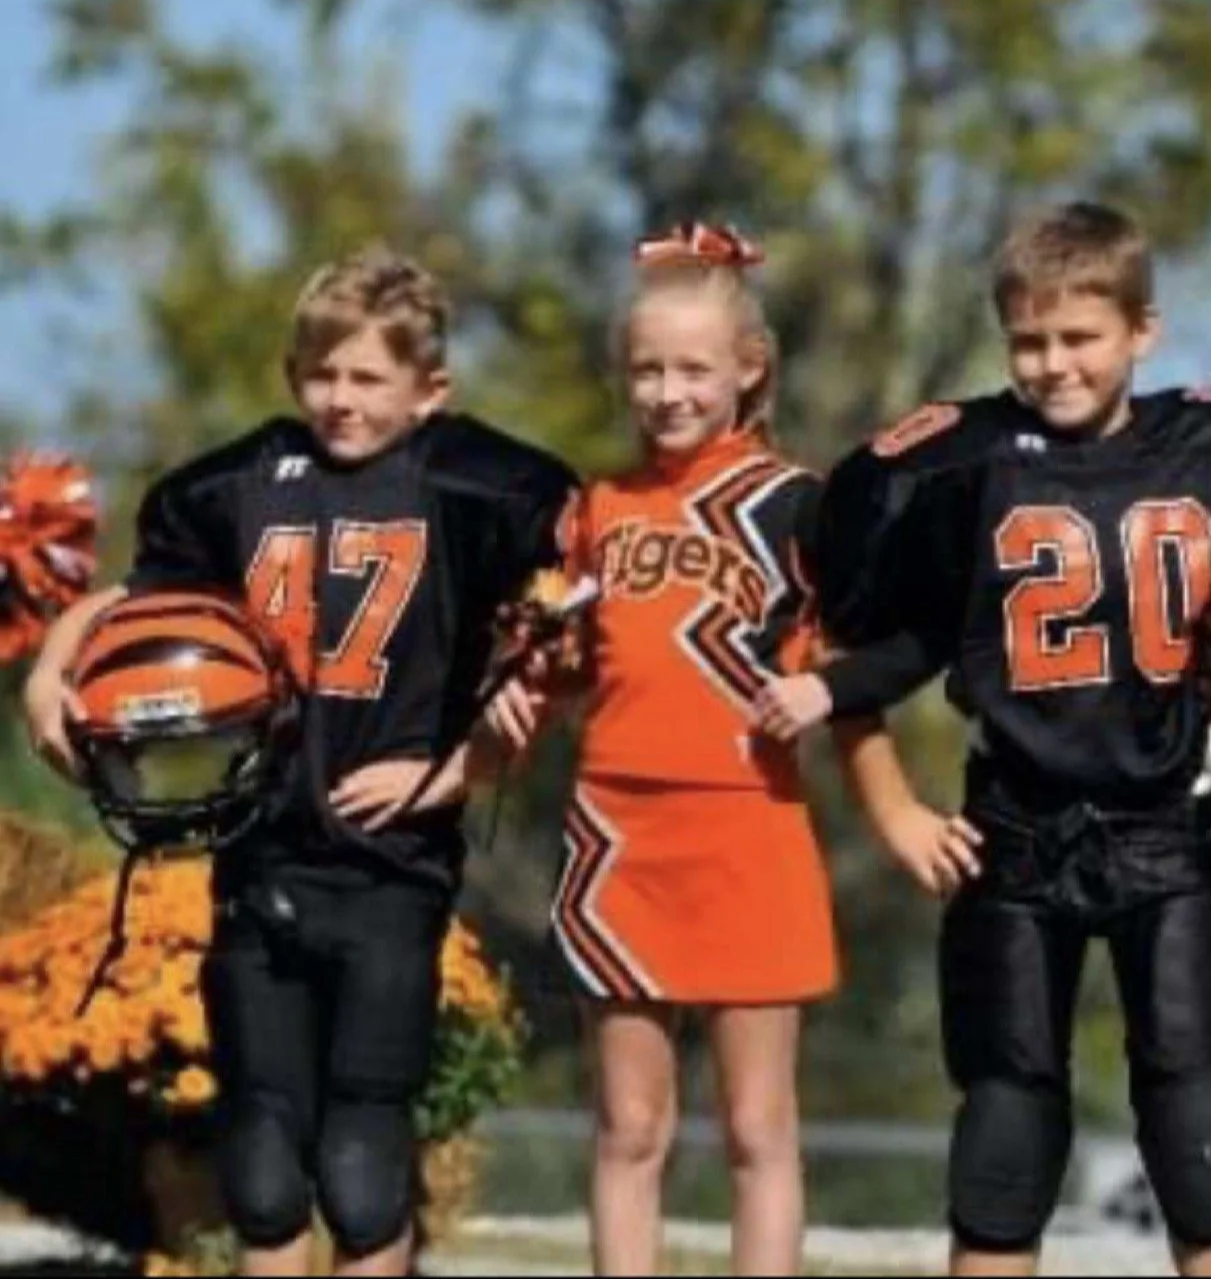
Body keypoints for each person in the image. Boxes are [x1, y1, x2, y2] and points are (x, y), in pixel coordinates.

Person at [752, 201, 1211, 1278]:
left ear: (1141, 332)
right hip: (1011, 835)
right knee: (1004, 1135)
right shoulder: (960, 465)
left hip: (1174, 826)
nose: (1054, 364)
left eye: (1080, 338)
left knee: (1202, 1124)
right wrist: (889, 808)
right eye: (1030, 341)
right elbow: (878, 644)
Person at [24, 245, 577, 1278]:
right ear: (293, 375)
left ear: (431, 389)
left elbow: (567, 631)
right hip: (260, 849)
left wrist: (464, 770)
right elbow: (144, 599)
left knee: (365, 1162)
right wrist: (52, 664)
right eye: (322, 374)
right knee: (264, 1161)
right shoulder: (239, 484)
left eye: (368, 378)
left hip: (389, 866)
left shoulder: (477, 485)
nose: (340, 399)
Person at [484, 222, 949, 1277]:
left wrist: (827, 700)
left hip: (749, 826)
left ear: (749, 369)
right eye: (645, 368)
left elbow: (872, 662)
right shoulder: (595, 508)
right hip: (616, 834)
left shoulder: (801, 504)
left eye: (693, 367)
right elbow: (568, 661)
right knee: (630, 1125)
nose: (667, 390)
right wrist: (521, 692)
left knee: (755, 1125)